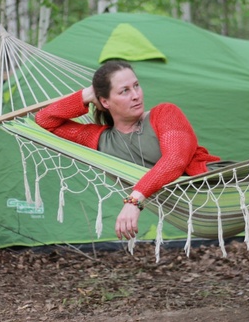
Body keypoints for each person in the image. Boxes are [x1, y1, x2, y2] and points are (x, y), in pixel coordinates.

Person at [35, 60, 221, 241]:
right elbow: (45, 120)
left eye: (136, 86)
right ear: (105, 102)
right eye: (125, 90)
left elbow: (175, 160)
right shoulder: (101, 140)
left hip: (221, 185)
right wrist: (86, 95)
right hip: (192, 204)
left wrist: (134, 200)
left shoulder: (165, 113)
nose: (136, 95)